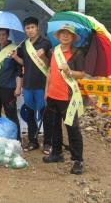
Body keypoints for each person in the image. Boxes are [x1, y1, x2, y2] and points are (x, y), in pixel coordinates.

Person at [43, 24, 85, 175]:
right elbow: (49, 71)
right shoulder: (54, 51)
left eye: (68, 34)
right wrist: (47, 90)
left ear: (73, 37)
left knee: (72, 129)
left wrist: (69, 71)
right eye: (62, 33)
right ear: (58, 36)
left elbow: (82, 74)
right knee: (54, 126)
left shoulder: (77, 53)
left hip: (68, 97)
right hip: (52, 95)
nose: (65, 36)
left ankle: (78, 160)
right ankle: (57, 153)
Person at [11, 17, 53, 154]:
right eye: (27, 28)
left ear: (37, 28)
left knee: (44, 114)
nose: (30, 30)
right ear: (25, 30)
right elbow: (24, 63)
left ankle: (47, 143)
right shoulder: (24, 45)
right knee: (29, 114)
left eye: (32, 27)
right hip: (28, 85)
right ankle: (33, 141)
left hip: (42, 85)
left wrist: (44, 57)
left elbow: (51, 65)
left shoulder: (46, 43)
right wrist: (16, 57)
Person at [0, 28, 23, 140]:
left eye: (4, 34)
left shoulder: (14, 49)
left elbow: (19, 71)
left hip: (8, 87)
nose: (1, 37)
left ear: (8, 35)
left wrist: (18, 88)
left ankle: (16, 139)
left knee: (11, 114)